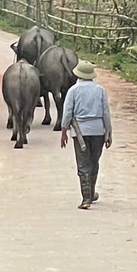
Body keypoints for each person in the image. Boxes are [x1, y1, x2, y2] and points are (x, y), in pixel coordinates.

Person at [57, 60, 112, 209]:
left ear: (78, 75)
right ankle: (91, 192)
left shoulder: (73, 90)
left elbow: (68, 112)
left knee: (83, 164)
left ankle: (86, 198)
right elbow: (106, 113)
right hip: (98, 131)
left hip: (80, 132)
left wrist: (64, 131)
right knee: (94, 161)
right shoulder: (100, 90)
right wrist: (108, 133)